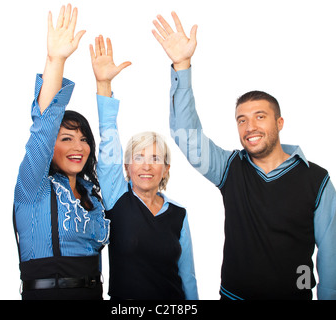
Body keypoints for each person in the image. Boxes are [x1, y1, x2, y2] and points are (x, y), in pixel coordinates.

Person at [152, 12, 336, 300]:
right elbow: (186, 135)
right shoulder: (229, 168)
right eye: (241, 119)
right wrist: (182, 66)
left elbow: (333, 254)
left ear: (279, 123)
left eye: (260, 117)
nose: (250, 127)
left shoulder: (315, 179)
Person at [13, 4, 110, 300]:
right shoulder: (33, 186)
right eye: (66, 138)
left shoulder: (92, 194)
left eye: (83, 139)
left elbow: (111, 151)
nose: (78, 147)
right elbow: (44, 128)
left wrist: (104, 84)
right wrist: (56, 60)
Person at [90, 35, 198, 300]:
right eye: (138, 157)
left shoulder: (179, 215)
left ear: (166, 169)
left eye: (155, 158)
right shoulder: (117, 198)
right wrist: (104, 84)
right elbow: (108, 137)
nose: (146, 165)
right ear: (126, 166)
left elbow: (188, 277)